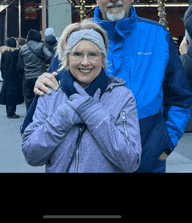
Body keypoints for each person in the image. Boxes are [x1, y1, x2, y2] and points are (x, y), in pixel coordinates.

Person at [34, 0, 192, 173]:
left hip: (148, 159)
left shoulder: (158, 36)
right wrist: (43, 82)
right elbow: (55, 86)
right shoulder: (75, 37)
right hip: (90, 161)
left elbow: (180, 97)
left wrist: (165, 144)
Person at [22, 20, 141, 172]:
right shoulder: (50, 92)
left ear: (103, 58)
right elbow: (31, 155)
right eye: (77, 54)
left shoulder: (122, 97)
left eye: (92, 54)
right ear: (67, 58)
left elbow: (130, 161)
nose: (85, 62)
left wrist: (93, 113)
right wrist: (63, 118)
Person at [17, 29, 52, 112]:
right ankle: (41, 116)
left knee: (29, 98)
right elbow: (50, 56)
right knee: (42, 97)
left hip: (28, 77)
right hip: (40, 76)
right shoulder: (41, 46)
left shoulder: (23, 48)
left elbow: (20, 65)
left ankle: (29, 117)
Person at [0, 37, 24, 118]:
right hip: (15, 77)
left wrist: (3, 75)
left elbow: (1, 66)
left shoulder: (4, 53)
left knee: (7, 94)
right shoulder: (17, 53)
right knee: (13, 95)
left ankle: (8, 111)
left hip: (6, 77)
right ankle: (11, 112)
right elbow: (20, 66)